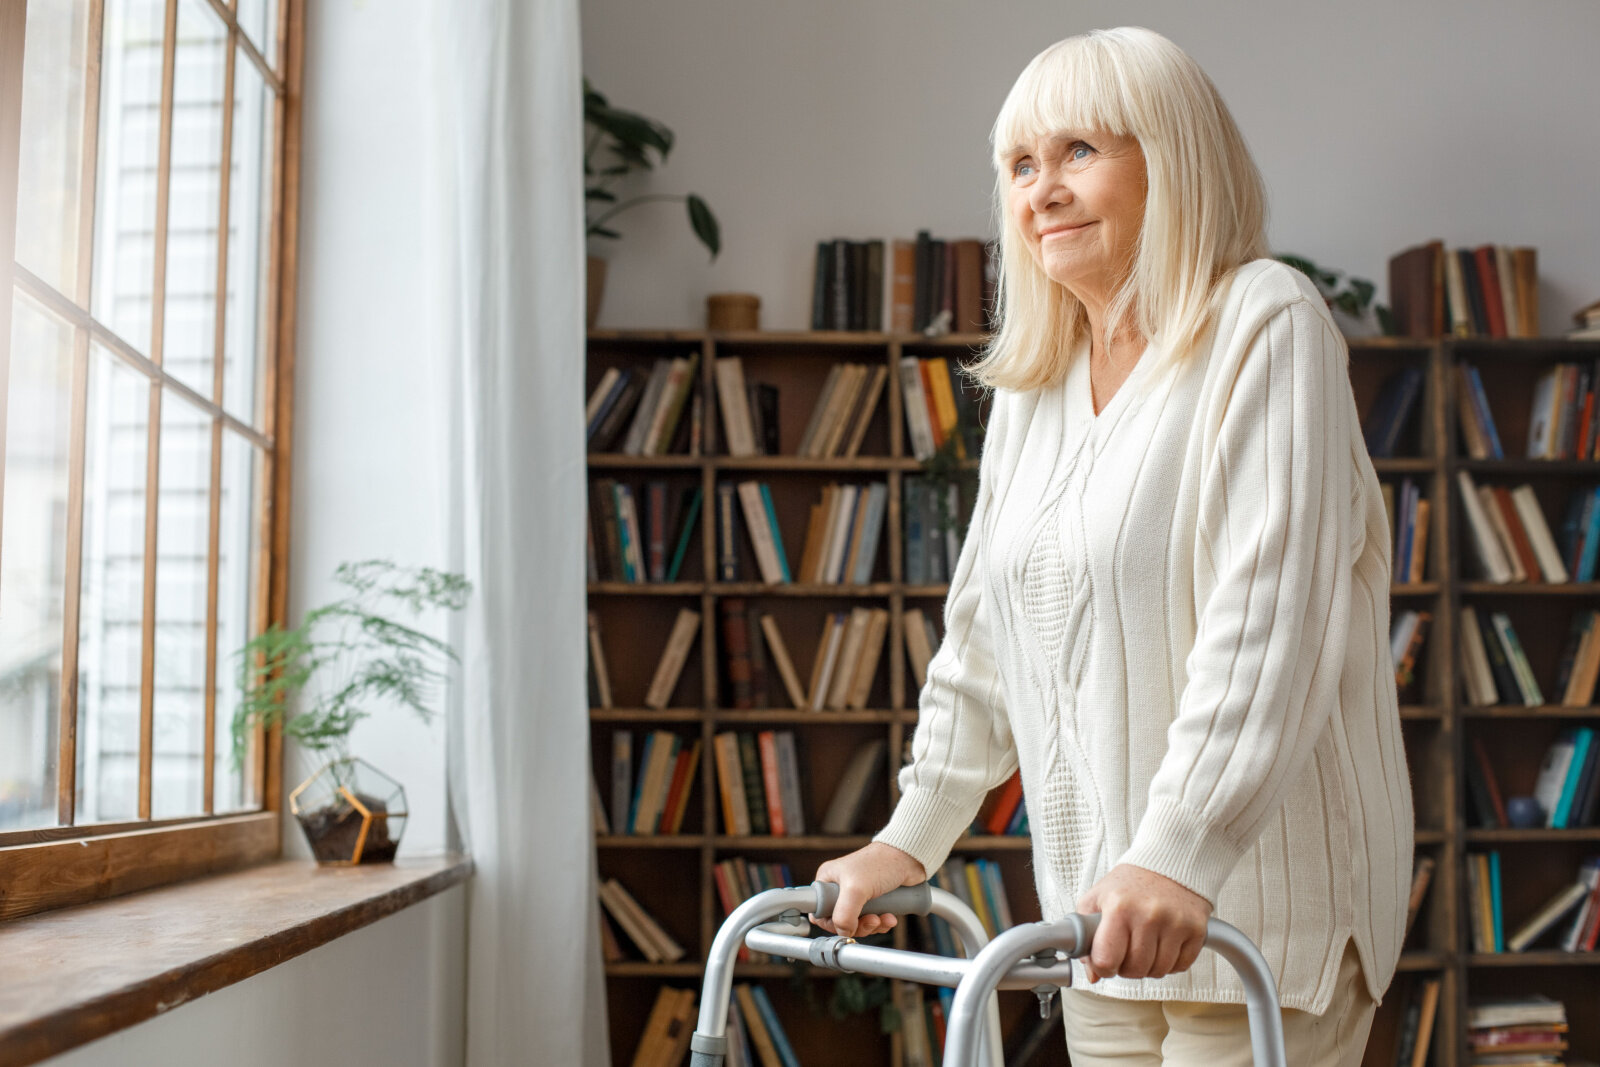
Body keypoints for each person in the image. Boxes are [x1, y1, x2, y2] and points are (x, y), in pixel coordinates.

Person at [812, 26, 1415, 1066]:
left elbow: (1265, 622)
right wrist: (909, 833)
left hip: (1252, 916)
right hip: (1098, 925)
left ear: (1176, 157)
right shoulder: (1034, 388)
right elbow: (983, 641)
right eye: (1019, 164)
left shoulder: (1264, 323)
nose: (1042, 189)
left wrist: (1179, 853)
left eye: (1080, 151)